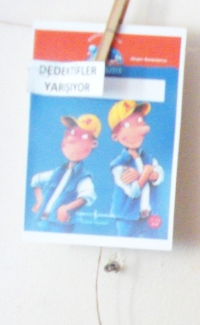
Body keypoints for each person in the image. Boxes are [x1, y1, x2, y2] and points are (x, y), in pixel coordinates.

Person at [29, 114, 100, 233]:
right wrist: (40, 201)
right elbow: (36, 180)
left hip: (60, 225)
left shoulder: (82, 176)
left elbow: (87, 196)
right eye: (70, 134)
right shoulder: (58, 171)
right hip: (42, 221)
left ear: (93, 144)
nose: (71, 140)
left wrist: (66, 208)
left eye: (80, 137)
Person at [108, 99, 164, 237]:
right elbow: (133, 192)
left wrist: (143, 175)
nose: (140, 128)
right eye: (128, 125)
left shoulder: (148, 157)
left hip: (149, 217)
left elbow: (159, 174)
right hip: (127, 218)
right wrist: (146, 173)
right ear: (116, 135)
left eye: (140, 121)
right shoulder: (119, 164)